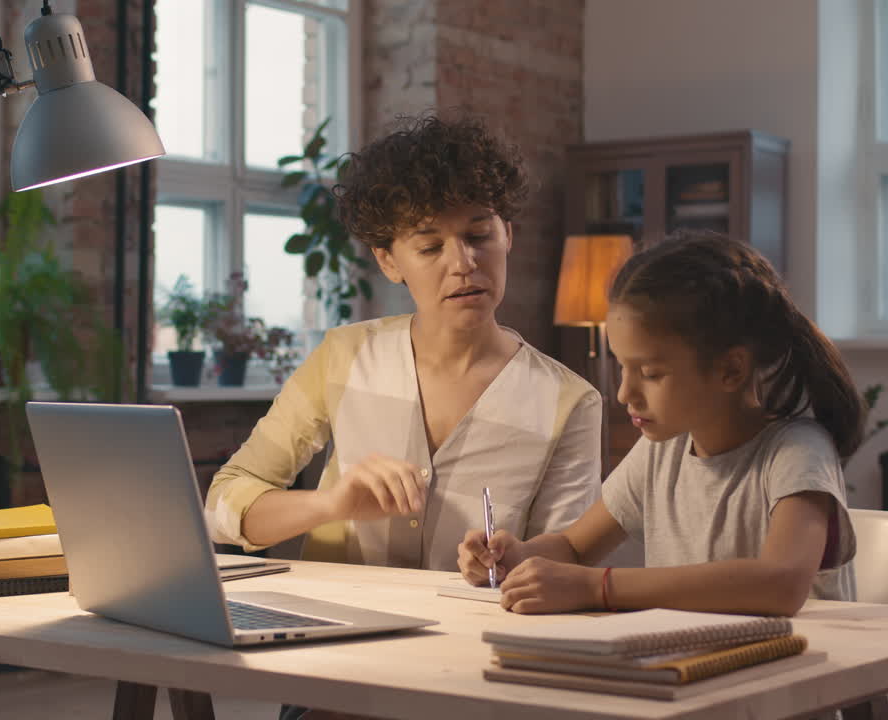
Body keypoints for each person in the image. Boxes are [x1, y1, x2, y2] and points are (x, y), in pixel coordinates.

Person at [204, 113, 602, 573]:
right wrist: (331, 504)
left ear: (507, 235)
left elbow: (566, 565)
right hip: (336, 630)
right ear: (389, 260)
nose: (463, 263)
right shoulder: (344, 357)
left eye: (478, 236)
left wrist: (505, 562)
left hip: (470, 637)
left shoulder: (569, 403)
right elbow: (223, 505)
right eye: (430, 247)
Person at [458, 231, 862, 615]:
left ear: (731, 370)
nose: (623, 393)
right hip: (699, 675)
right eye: (622, 367)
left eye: (650, 373)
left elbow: (782, 584)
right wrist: (517, 558)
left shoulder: (797, 452)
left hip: (806, 681)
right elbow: (574, 547)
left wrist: (596, 588)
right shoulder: (661, 450)